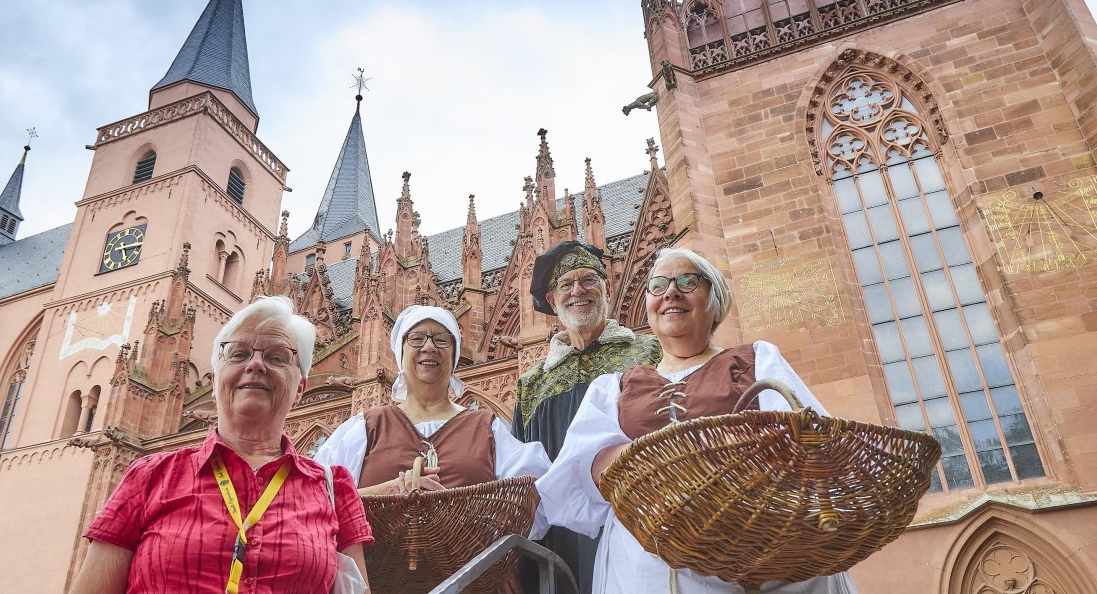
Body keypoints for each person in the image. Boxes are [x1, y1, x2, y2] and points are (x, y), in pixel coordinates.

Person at [536, 248, 857, 593]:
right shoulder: (614, 387)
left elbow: (814, 446)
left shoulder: (756, 361)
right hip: (648, 561)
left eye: (687, 281)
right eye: (658, 286)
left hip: (759, 549)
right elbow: (582, 469)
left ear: (714, 301)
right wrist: (664, 461)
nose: (671, 292)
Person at [70, 296, 373, 594]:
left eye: (277, 357)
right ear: (215, 380)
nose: (256, 364)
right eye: (239, 354)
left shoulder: (334, 489)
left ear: (300, 389)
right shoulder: (149, 478)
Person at [313, 304, 549, 530]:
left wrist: (466, 513)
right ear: (400, 350)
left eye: (441, 339)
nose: (429, 347)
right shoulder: (365, 427)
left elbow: (534, 499)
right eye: (416, 338)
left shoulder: (487, 427)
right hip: (378, 570)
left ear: (454, 355)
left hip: (475, 567)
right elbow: (316, 496)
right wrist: (392, 490)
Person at [514, 240, 661, 593]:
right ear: (552, 300)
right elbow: (522, 470)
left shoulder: (649, 350)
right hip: (560, 533)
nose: (578, 291)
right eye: (566, 284)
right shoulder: (533, 383)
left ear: (606, 287)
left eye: (589, 280)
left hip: (637, 513)